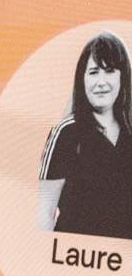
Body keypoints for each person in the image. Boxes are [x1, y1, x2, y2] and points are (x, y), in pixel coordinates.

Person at [37, 31, 132, 238]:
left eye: (109, 71)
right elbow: (45, 213)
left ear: (123, 76)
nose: (101, 82)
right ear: (82, 78)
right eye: (93, 72)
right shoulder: (66, 133)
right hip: (76, 259)